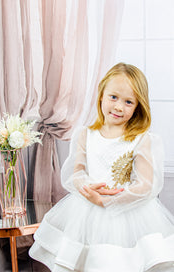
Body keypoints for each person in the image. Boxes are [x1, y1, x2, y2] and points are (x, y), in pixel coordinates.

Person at [29, 63, 174, 272]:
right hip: (86, 210)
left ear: (138, 106)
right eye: (113, 97)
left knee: (119, 263)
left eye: (128, 102)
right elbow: (75, 171)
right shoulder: (85, 134)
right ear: (101, 95)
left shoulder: (141, 140)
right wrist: (89, 189)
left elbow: (145, 185)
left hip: (127, 212)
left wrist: (111, 200)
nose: (118, 107)